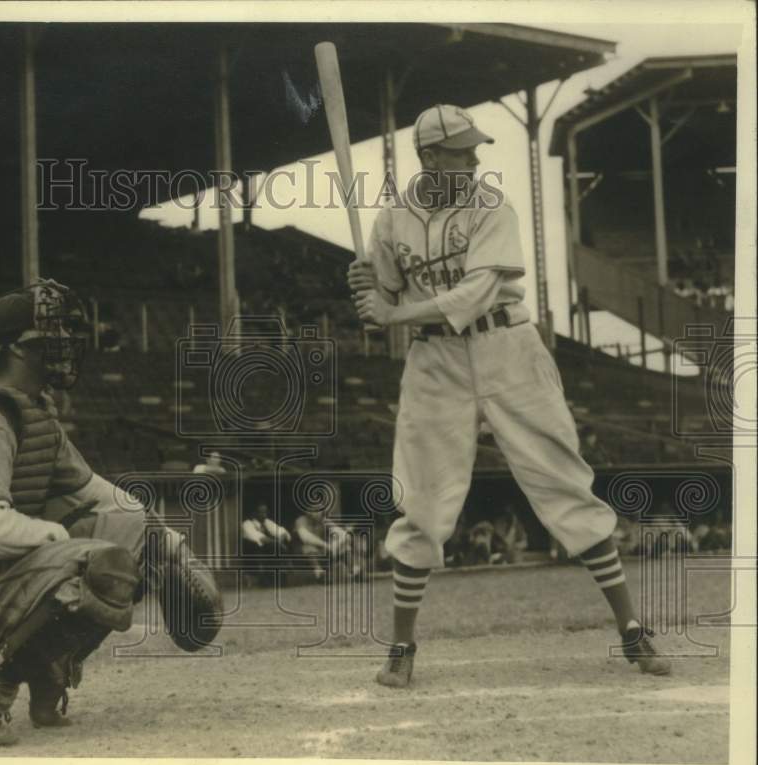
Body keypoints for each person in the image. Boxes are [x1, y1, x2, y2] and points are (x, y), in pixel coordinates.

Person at [348, 104, 670, 688]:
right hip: (433, 361)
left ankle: (631, 632)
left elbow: (472, 294)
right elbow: (385, 304)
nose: (475, 159)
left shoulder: (492, 206)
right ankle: (400, 647)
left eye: (474, 149)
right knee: (419, 500)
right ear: (429, 157)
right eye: (462, 151)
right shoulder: (390, 221)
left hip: (508, 347)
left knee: (564, 482)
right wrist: (368, 290)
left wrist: (391, 311)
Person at [0, 279, 222, 746]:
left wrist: (169, 544)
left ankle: (47, 672)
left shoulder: (33, 414)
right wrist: (63, 541)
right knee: (102, 561)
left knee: (134, 536)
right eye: (52, 337)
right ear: (15, 349)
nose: (66, 345)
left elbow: (104, 497)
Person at [240, 503, 292, 585]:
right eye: (261, 512)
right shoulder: (247, 524)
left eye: (265, 512)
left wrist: (280, 539)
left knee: (279, 548)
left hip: (270, 548)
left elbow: (283, 532)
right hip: (253, 550)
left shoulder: (267, 522)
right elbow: (259, 538)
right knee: (278, 548)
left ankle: (282, 575)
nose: (264, 514)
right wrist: (277, 543)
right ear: (254, 513)